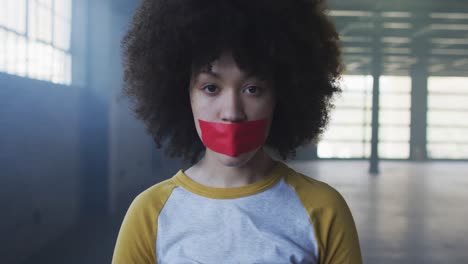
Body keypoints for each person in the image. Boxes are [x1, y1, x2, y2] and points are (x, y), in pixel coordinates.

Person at [112, 0, 362, 263]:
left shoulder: (323, 209)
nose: (232, 112)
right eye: (211, 88)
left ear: (281, 96)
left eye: (252, 89)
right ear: (184, 95)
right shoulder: (150, 212)